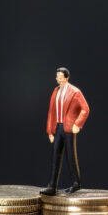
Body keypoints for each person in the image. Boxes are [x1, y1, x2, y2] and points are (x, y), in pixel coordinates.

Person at [41, 67, 90, 195]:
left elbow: (85, 109)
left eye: (60, 77)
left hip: (68, 128)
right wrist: (50, 131)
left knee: (70, 156)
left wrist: (77, 124)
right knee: (55, 156)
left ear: (66, 78)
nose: (58, 79)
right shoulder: (55, 91)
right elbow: (51, 111)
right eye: (57, 76)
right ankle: (52, 186)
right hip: (58, 128)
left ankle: (76, 183)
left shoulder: (75, 92)